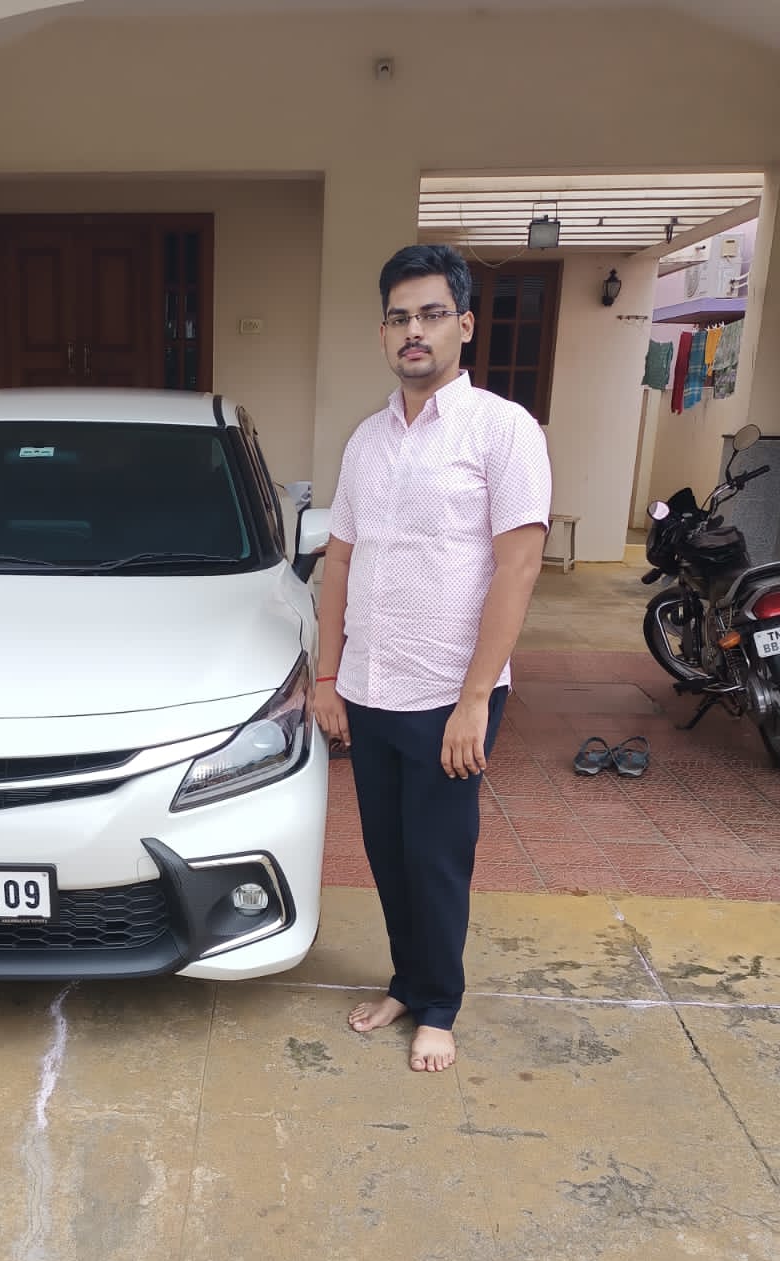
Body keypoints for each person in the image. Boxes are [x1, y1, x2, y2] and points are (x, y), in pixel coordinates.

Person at [313, 243, 551, 1074]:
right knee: (387, 853)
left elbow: (519, 566)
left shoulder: (502, 430)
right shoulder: (367, 442)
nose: (414, 330)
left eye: (431, 314)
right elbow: (340, 561)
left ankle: (440, 1004)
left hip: (452, 693)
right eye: (399, 317)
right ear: (384, 333)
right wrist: (328, 677)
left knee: (438, 857)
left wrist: (476, 697)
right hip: (370, 687)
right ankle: (407, 982)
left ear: (465, 325)